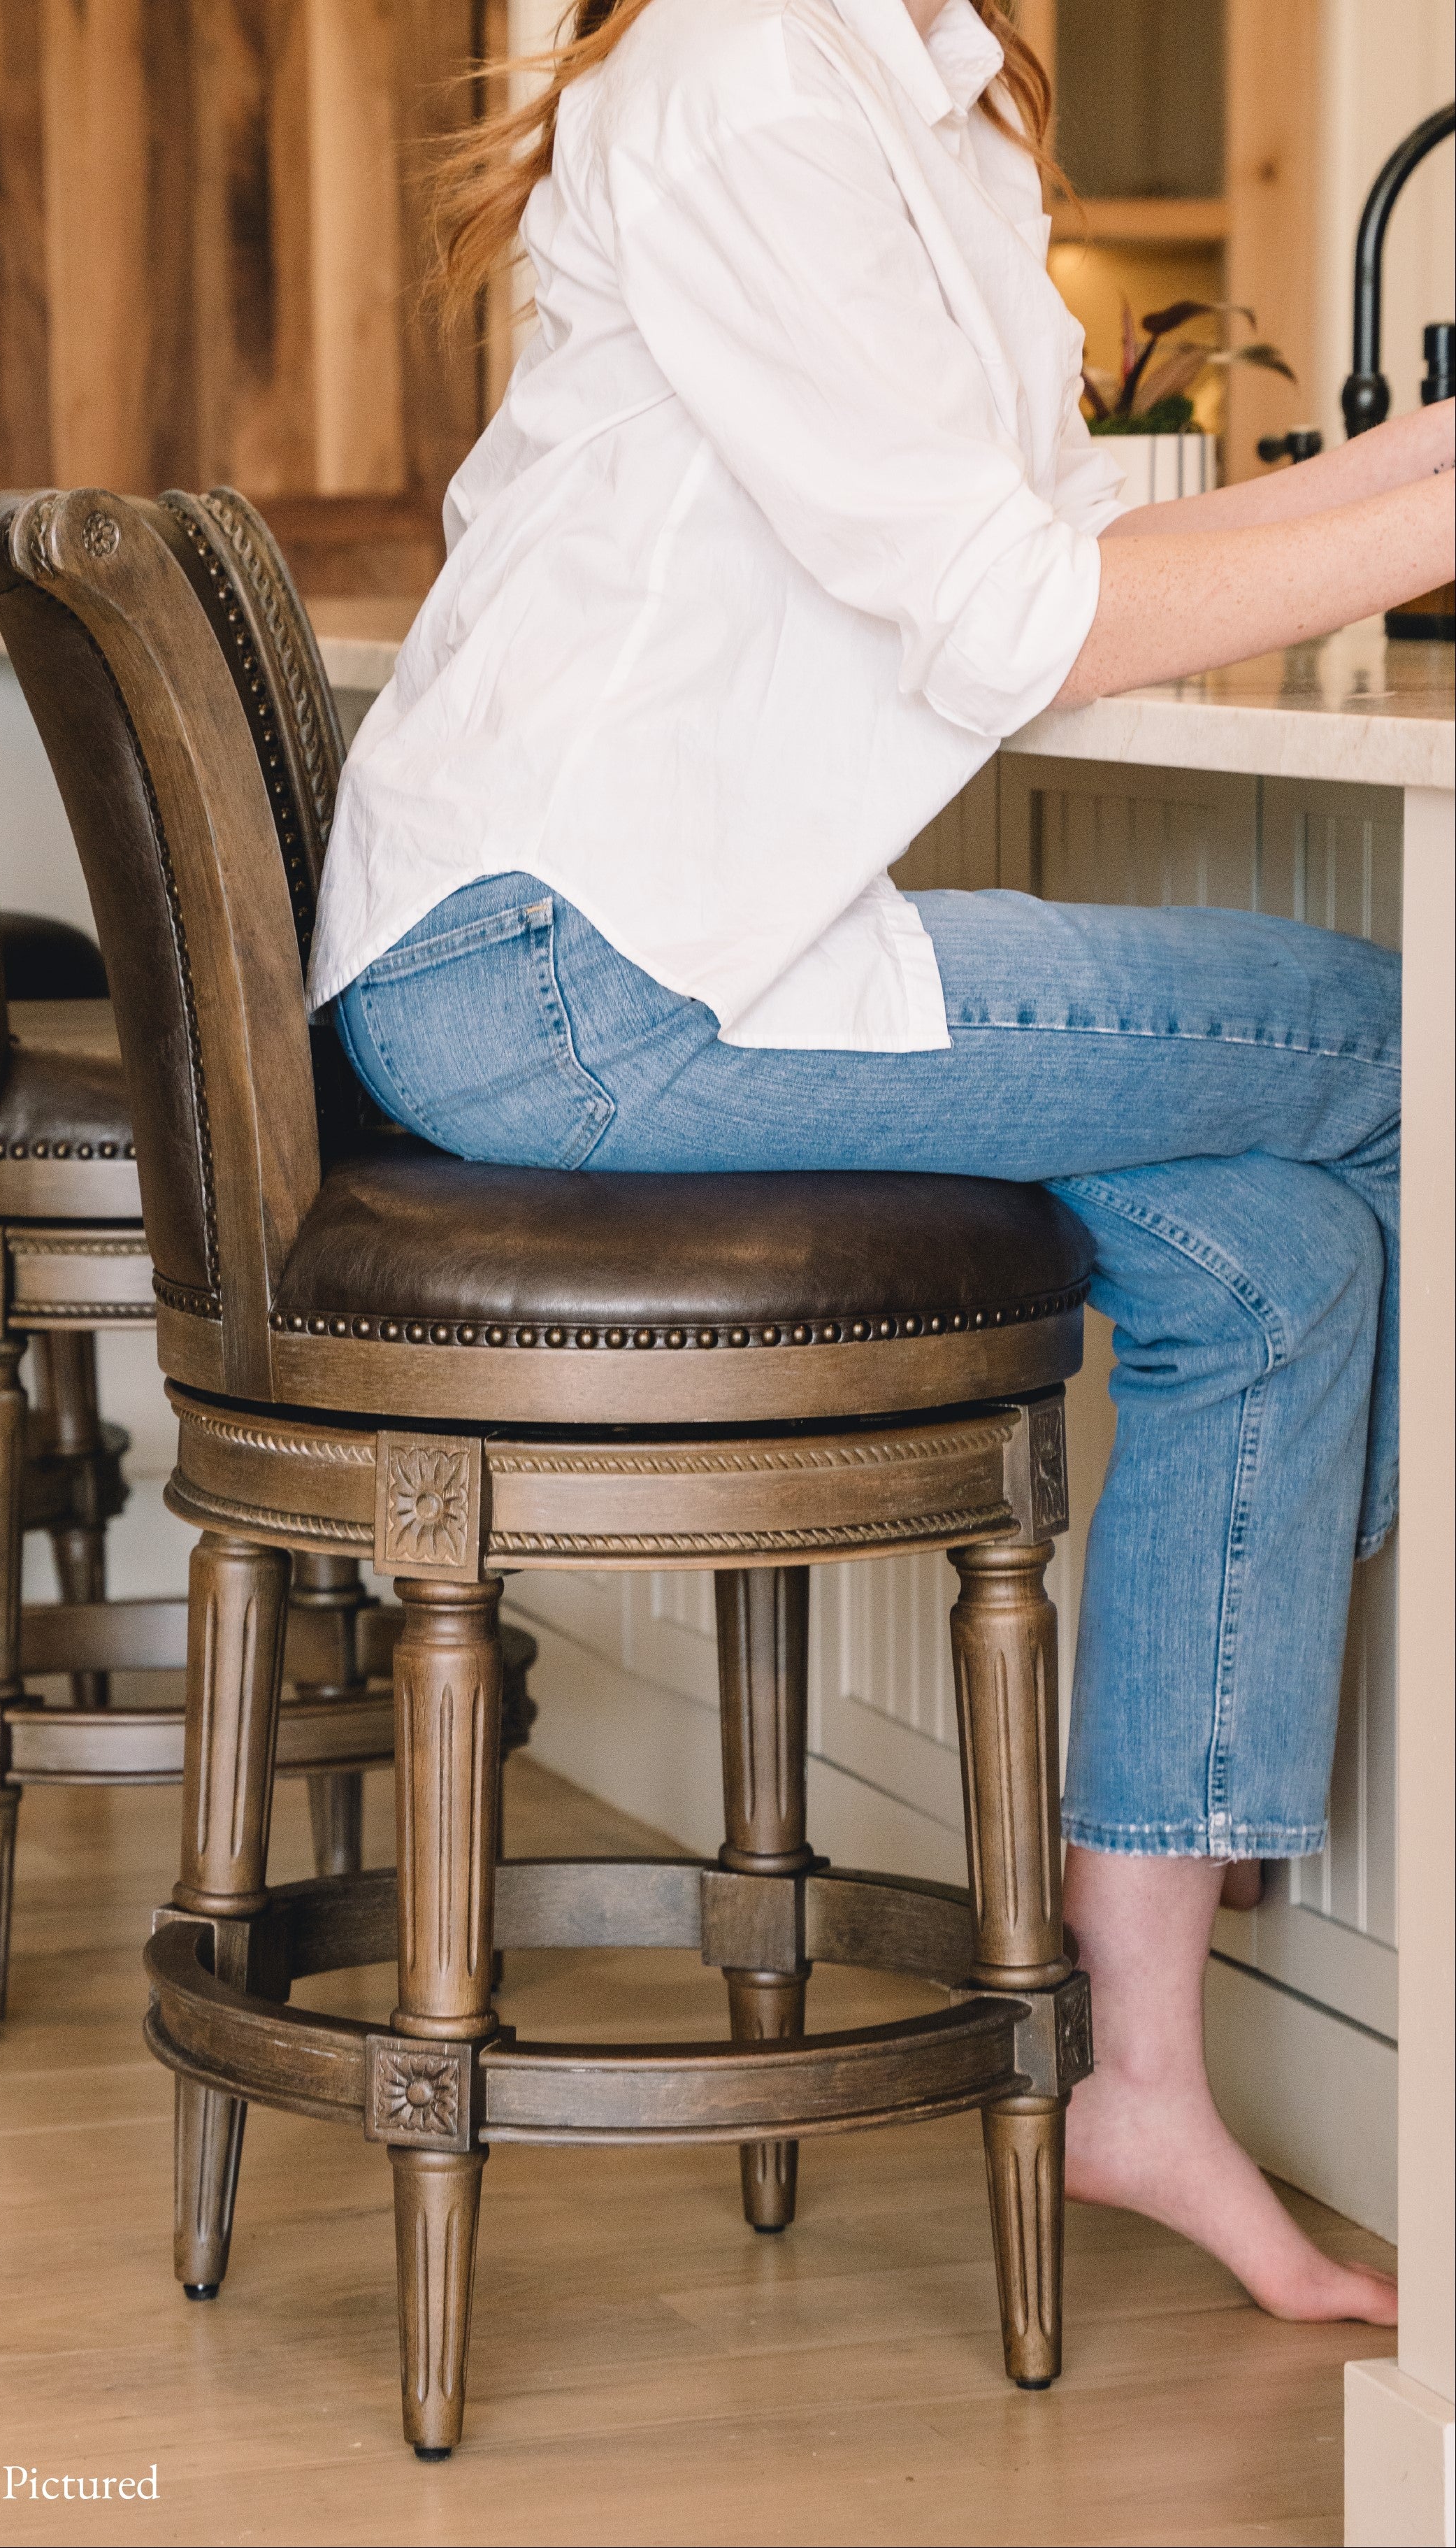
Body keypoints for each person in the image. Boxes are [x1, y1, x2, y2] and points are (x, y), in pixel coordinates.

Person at [308, 0, 1453, 2326]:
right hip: (583, 968)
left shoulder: (910, 88)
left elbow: (1035, 547)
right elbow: (1025, 632)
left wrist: (1422, 462)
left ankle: (1142, 2075)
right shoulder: (747, 66)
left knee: (1281, 1251)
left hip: (675, 938)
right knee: (1401, 1043)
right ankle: (1214, 1779)